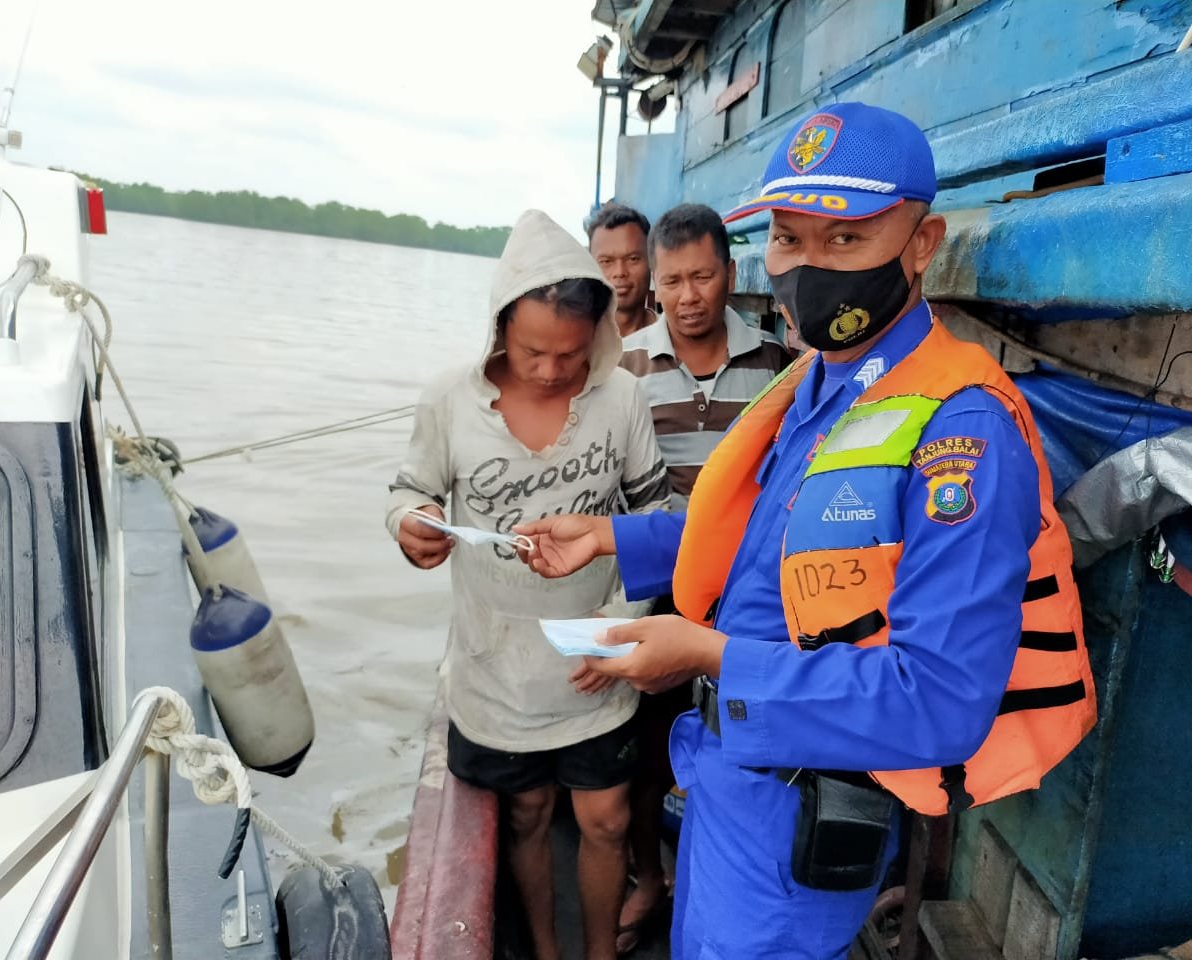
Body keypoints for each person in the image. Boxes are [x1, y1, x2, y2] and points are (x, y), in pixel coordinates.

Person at [515, 102, 1096, 959]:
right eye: (789, 239)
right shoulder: (820, 384)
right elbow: (766, 540)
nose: (807, 269)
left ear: (922, 243)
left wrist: (707, 656)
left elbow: (935, 702)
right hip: (727, 776)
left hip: (797, 810)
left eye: (846, 240)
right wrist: (608, 538)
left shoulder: (963, 434)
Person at [386, 208, 670, 960]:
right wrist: (411, 524)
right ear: (499, 329)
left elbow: (656, 519)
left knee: (607, 820)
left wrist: (622, 625)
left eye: (570, 356)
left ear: (599, 340)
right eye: (532, 351)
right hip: (495, 664)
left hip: (595, 659)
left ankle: (599, 953)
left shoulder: (623, 403)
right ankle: (545, 949)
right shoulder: (449, 400)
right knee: (526, 815)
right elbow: (408, 489)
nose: (549, 371)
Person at [611, 201, 789, 954]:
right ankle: (649, 876)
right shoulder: (626, 370)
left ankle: (730, 871)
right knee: (648, 743)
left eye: (703, 276)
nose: (688, 296)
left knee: (741, 731)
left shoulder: (776, 365)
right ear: (654, 285)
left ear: (730, 274)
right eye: (672, 280)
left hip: (747, 593)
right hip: (658, 582)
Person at [587, 202, 657, 337]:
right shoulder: (573, 342)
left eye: (632, 259)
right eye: (606, 261)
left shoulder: (676, 340)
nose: (620, 272)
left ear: (651, 262)